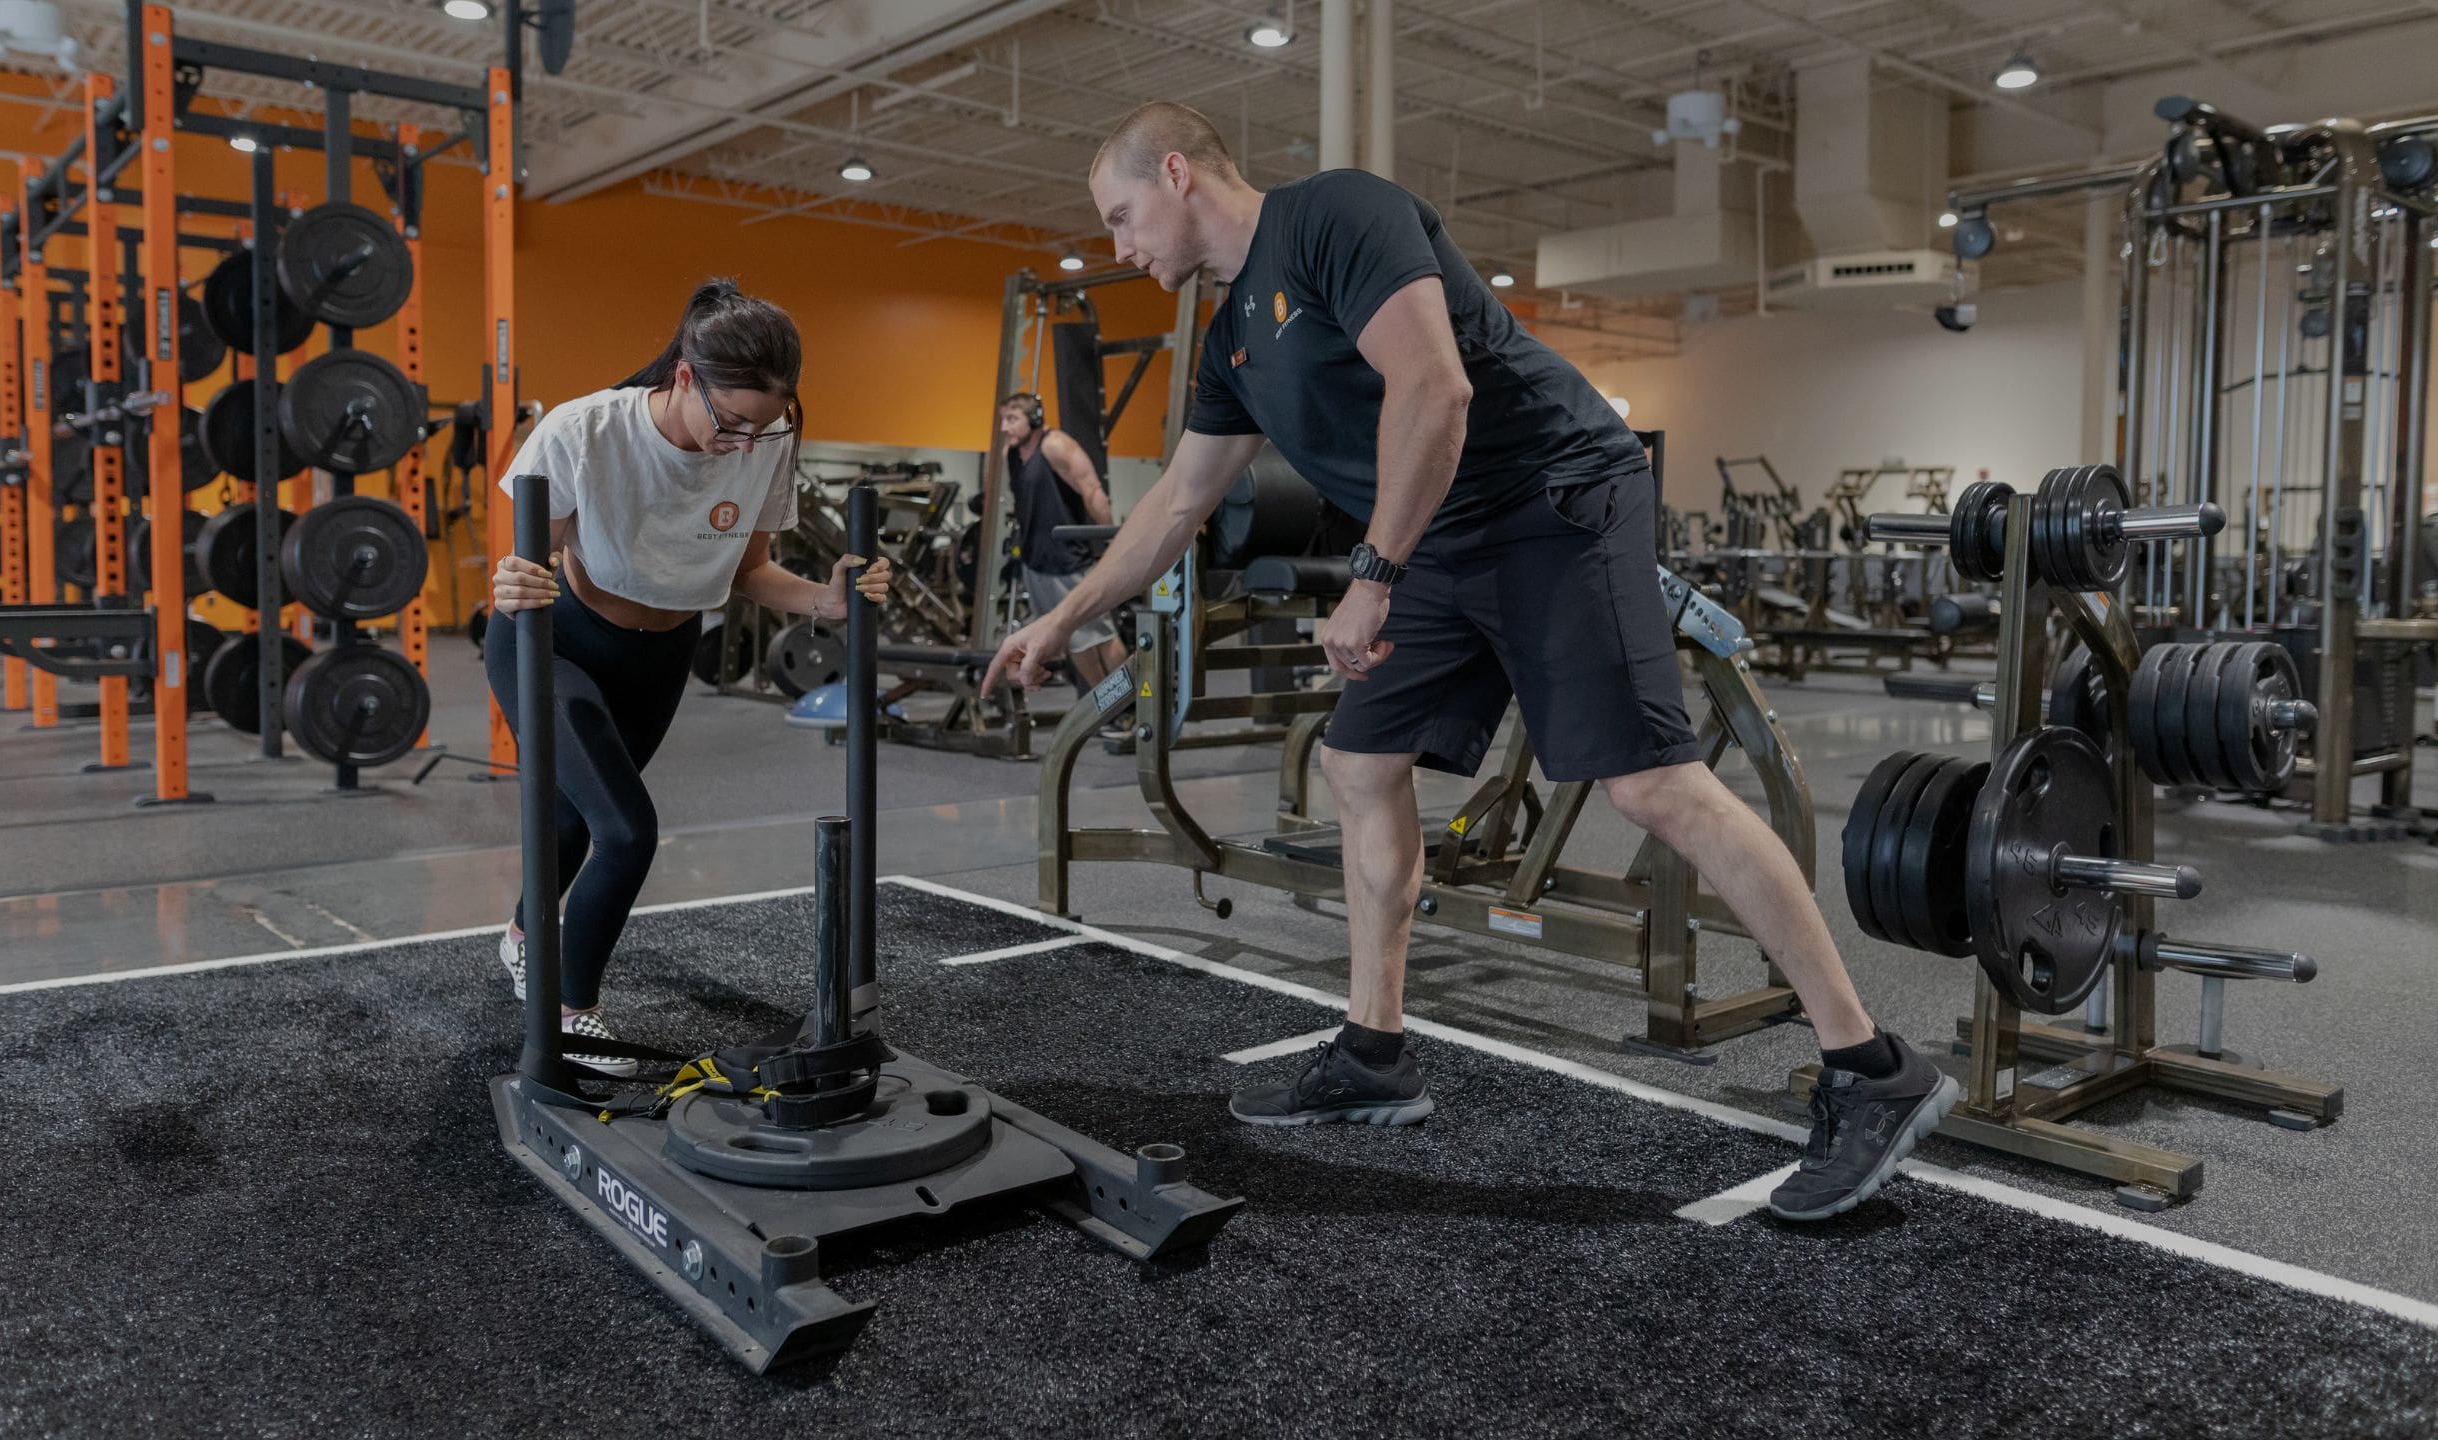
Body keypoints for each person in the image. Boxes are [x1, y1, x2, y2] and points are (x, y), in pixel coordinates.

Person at [985, 102, 1956, 1222]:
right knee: (1358, 762)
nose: (1117, 247)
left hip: (1554, 498)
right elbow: (1177, 501)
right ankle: (1373, 1052)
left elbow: (1435, 390)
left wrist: (1371, 574)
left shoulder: (1338, 216)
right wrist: (1063, 619)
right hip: (1446, 535)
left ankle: (1871, 1068)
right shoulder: (1232, 336)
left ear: (1176, 173)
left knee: (1648, 783)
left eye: (1119, 216)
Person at [487, 278, 892, 1075]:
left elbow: (750, 570)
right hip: (555, 642)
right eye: (733, 423)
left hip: (659, 656)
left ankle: (523, 936)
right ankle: (573, 1014)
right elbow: (528, 564)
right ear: (682, 378)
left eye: (763, 427)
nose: (745, 443)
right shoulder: (584, 429)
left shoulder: (767, 445)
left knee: (576, 820)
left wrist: (827, 600)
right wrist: (509, 582)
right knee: (625, 830)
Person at [996, 392, 1129, 691]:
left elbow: (1092, 491)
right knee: (1072, 641)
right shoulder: (1012, 455)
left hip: (1070, 563)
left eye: (1012, 419)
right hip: (1036, 564)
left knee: (1101, 637)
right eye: (1004, 419)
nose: (1005, 427)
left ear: (1035, 419)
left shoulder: (1056, 446)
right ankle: (1105, 708)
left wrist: (1111, 543)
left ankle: (1131, 704)